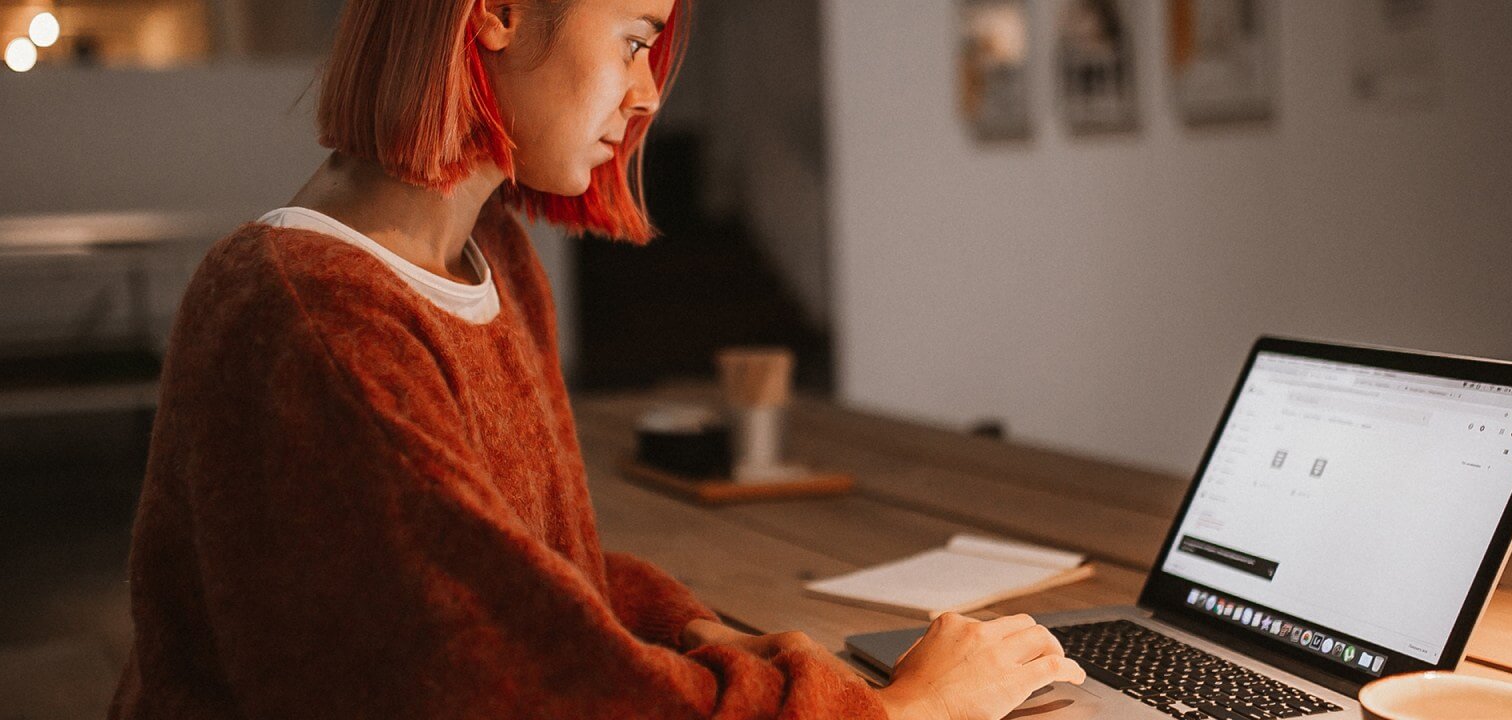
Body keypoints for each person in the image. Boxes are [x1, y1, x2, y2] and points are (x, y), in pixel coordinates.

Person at [107, 0, 1085, 718]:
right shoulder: (312, 314)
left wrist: (696, 632)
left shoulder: (492, 259)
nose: (651, 92)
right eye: (634, 39)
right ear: (495, 12)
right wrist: (905, 710)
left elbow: (519, 578)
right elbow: (521, 689)